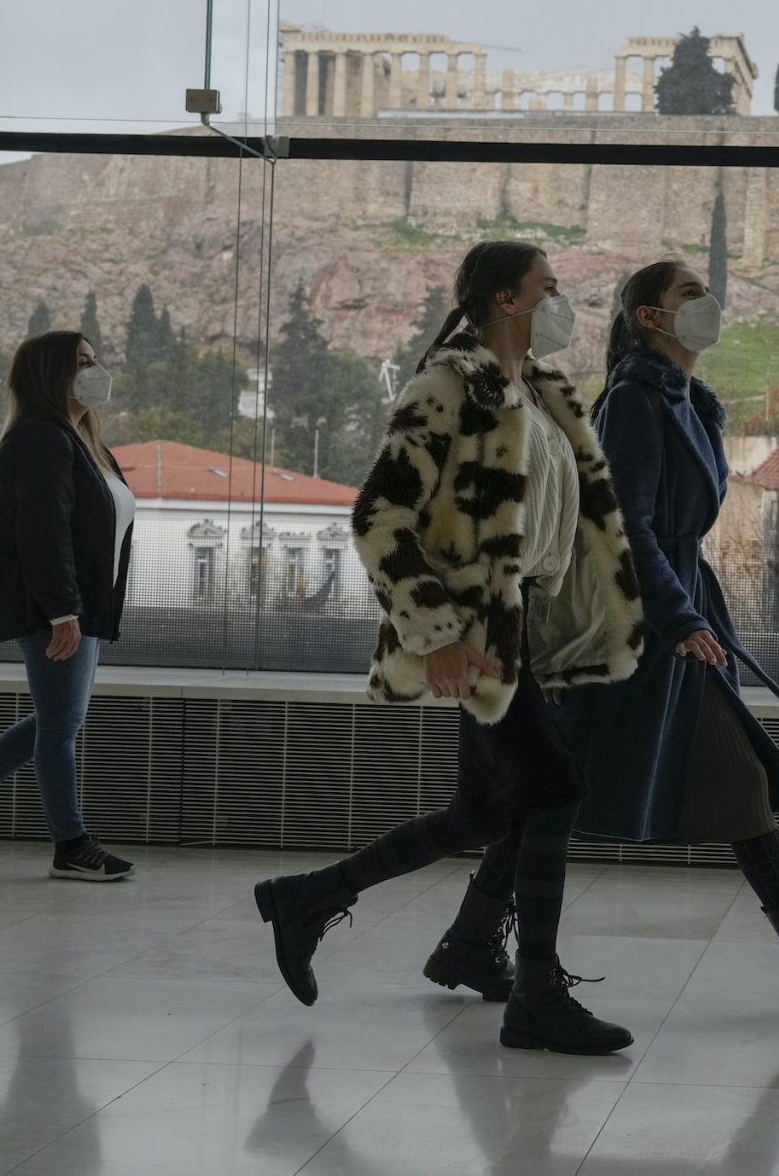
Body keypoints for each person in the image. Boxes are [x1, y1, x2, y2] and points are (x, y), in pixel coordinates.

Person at [252, 240, 648, 1056]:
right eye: (548, 287)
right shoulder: (449, 387)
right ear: (507, 299)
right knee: (555, 787)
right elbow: (379, 517)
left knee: (484, 809)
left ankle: (310, 898)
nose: (561, 300)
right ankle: (537, 994)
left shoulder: (537, 393)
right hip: (475, 628)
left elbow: (555, 530)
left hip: (524, 629)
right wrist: (432, 632)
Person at [547, 259, 779, 1011]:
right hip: (647, 617)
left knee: (576, 781)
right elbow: (627, 523)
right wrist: (678, 615)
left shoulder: (686, 400)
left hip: (677, 609)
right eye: (688, 293)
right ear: (650, 317)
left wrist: (687, 610)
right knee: (560, 786)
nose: (706, 302)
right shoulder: (636, 400)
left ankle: (475, 932)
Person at [0, 330, 138, 883]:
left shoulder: (81, 440)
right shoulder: (41, 438)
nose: (95, 370)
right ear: (50, 374)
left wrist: (79, 608)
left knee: (58, 719)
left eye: (94, 359)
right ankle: (71, 844)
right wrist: (63, 611)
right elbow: (43, 531)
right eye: (81, 361)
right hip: (53, 606)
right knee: (60, 726)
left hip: (78, 605)